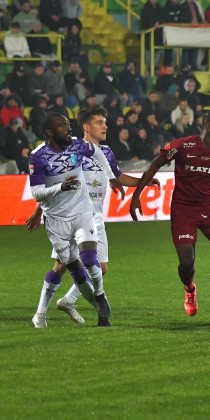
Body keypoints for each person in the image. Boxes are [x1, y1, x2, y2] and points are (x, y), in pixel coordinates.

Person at [26, 106, 159, 325]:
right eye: (100, 122)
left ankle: (70, 302)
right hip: (66, 215)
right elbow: (53, 187)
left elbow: (117, 176)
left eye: (105, 122)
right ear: (87, 127)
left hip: (92, 214)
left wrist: (143, 182)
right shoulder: (73, 148)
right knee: (62, 265)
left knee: (99, 266)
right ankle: (44, 311)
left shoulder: (105, 152)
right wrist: (37, 210)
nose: (105, 126)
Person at [129, 109, 210, 322]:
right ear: (208, 125)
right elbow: (155, 164)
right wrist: (137, 196)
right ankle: (190, 289)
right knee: (187, 262)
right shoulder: (183, 146)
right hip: (183, 211)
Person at [27, 113, 120, 327]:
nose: (68, 129)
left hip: (82, 212)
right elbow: (36, 192)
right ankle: (43, 312)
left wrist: (111, 177)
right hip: (56, 220)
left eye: (68, 124)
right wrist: (60, 187)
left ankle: (99, 295)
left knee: (90, 259)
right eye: (62, 126)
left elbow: (96, 152)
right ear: (50, 132)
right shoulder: (38, 156)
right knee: (72, 267)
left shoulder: (77, 146)